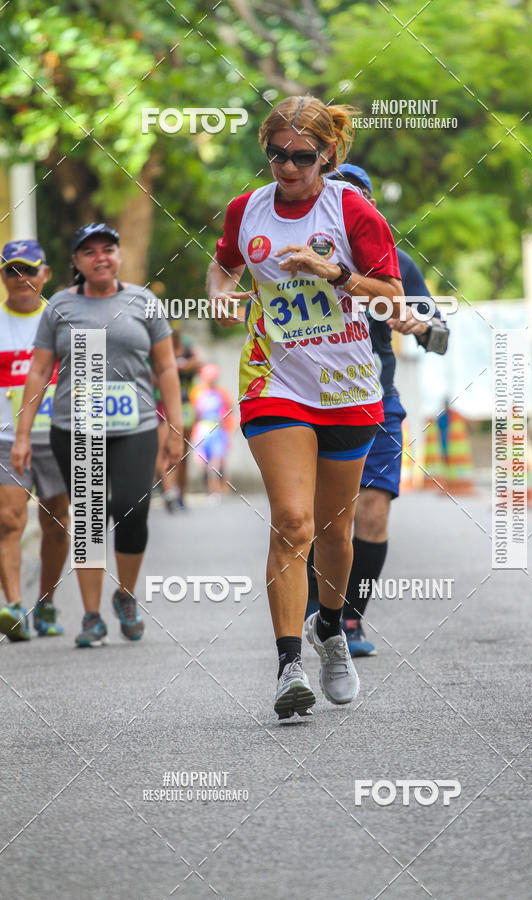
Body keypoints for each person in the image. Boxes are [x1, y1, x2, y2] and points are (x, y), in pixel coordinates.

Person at [207, 95, 404, 719]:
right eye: (275, 154)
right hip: (277, 383)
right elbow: (223, 267)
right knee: (292, 520)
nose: (286, 167)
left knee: (333, 533)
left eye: (300, 157)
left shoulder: (352, 210)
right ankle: (290, 661)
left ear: (327, 155)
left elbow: (395, 300)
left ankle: (331, 629)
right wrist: (221, 295)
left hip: (348, 388)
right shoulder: (248, 210)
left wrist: (335, 273)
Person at [11, 223, 183, 647]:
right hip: (75, 427)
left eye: (108, 249)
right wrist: (22, 434)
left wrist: (174, 428)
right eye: (89, 252)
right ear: (76, 262)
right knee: (87, 519)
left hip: (136, 427)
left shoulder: (143, 301)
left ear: (119, 255)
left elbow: (166, 368)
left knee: (131, 509)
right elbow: (38, 370)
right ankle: (90, 616)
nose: (100, 257)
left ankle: (125, 594)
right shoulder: (59, 307)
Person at [305, 165, 450, 655]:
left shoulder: (397, 263)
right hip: (312, 402)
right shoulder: (297, 257)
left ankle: (349, 620)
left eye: (359, 200)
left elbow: (441, 336)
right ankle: (314, 615)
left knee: (371, 514)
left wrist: (421, 327)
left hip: (377, 402)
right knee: (322, 520)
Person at [0, 240, 69, 641]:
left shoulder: (62, 320)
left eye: (29, 270)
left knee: (57, 523)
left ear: (45, 274)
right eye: (12, 270)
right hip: (5, 437)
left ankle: (45, 603)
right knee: (8, 520)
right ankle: (12, 607)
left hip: (55, 436)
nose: (21, 278)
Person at [159, 323, 201, 512]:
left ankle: (181, 494)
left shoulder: (188, 348)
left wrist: (180, 365)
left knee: (183, 453)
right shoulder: (162, 348)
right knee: (167, 451)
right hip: (166, 406)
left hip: (186, 406)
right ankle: (169, 492)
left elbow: (199, 363)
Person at [190, 363, 236, 495]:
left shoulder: (222, 393)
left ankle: (217, 489)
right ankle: (209, 488)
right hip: (202, 430)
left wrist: (230, 428)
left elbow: (230, 410)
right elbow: (195, 413)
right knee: (204, 462)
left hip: (218, 430)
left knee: (217, 461)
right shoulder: (197, 392)